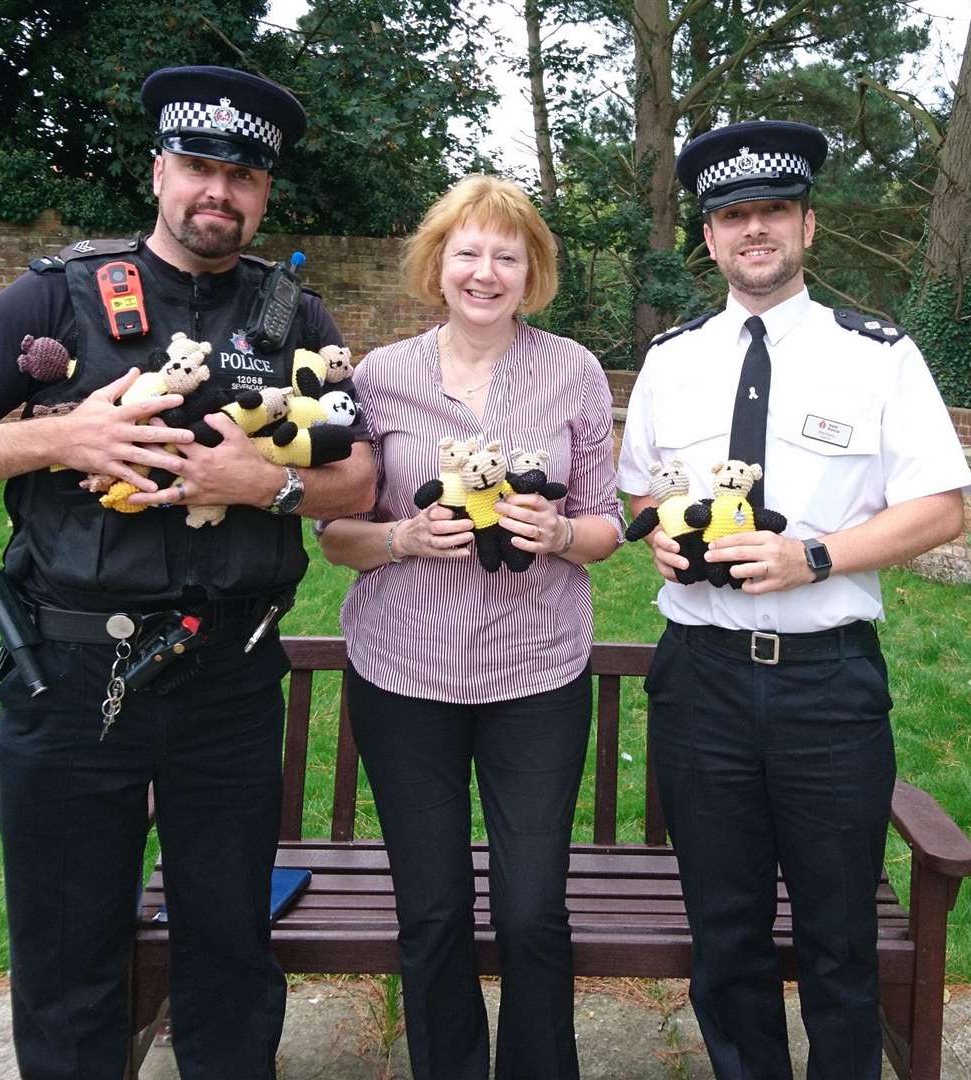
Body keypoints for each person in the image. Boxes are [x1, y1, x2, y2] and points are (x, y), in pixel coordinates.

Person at [0, 66, 374, 1080]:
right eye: (198, 166)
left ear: (264, 194)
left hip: (231, 679)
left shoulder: (296, 319)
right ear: (159, 170)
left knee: (230, 943)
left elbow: (358, 479)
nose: (218, 193)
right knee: (69, 945)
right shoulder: (55, 292)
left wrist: (264, 485)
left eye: (242, 177)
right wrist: (67, 436)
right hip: (73, 675)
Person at [618, 120, 971, 1080]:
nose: (753, 230)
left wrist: (813, 556)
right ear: (709, 238)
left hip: (827, 686)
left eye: (772, 210)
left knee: (838, 933)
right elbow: (644, 490)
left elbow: (941, 508)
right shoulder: (672, 358)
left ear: (808, 226)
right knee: (725, 935)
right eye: (732, 216)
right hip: (700, 683)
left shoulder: (878, 355)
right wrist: (660, 533)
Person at [318, 174, 623, 1080]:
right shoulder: (379, 377)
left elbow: (608, 522)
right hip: (402, 676)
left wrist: (563, 533)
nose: (485, 272)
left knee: (532, 910)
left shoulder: (571, 370)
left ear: (531, 272)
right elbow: (335, 534)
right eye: (467, 253)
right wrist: (401, 536)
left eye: (506, 255)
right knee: (433, 908)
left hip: (536, 677)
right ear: (436, 266)